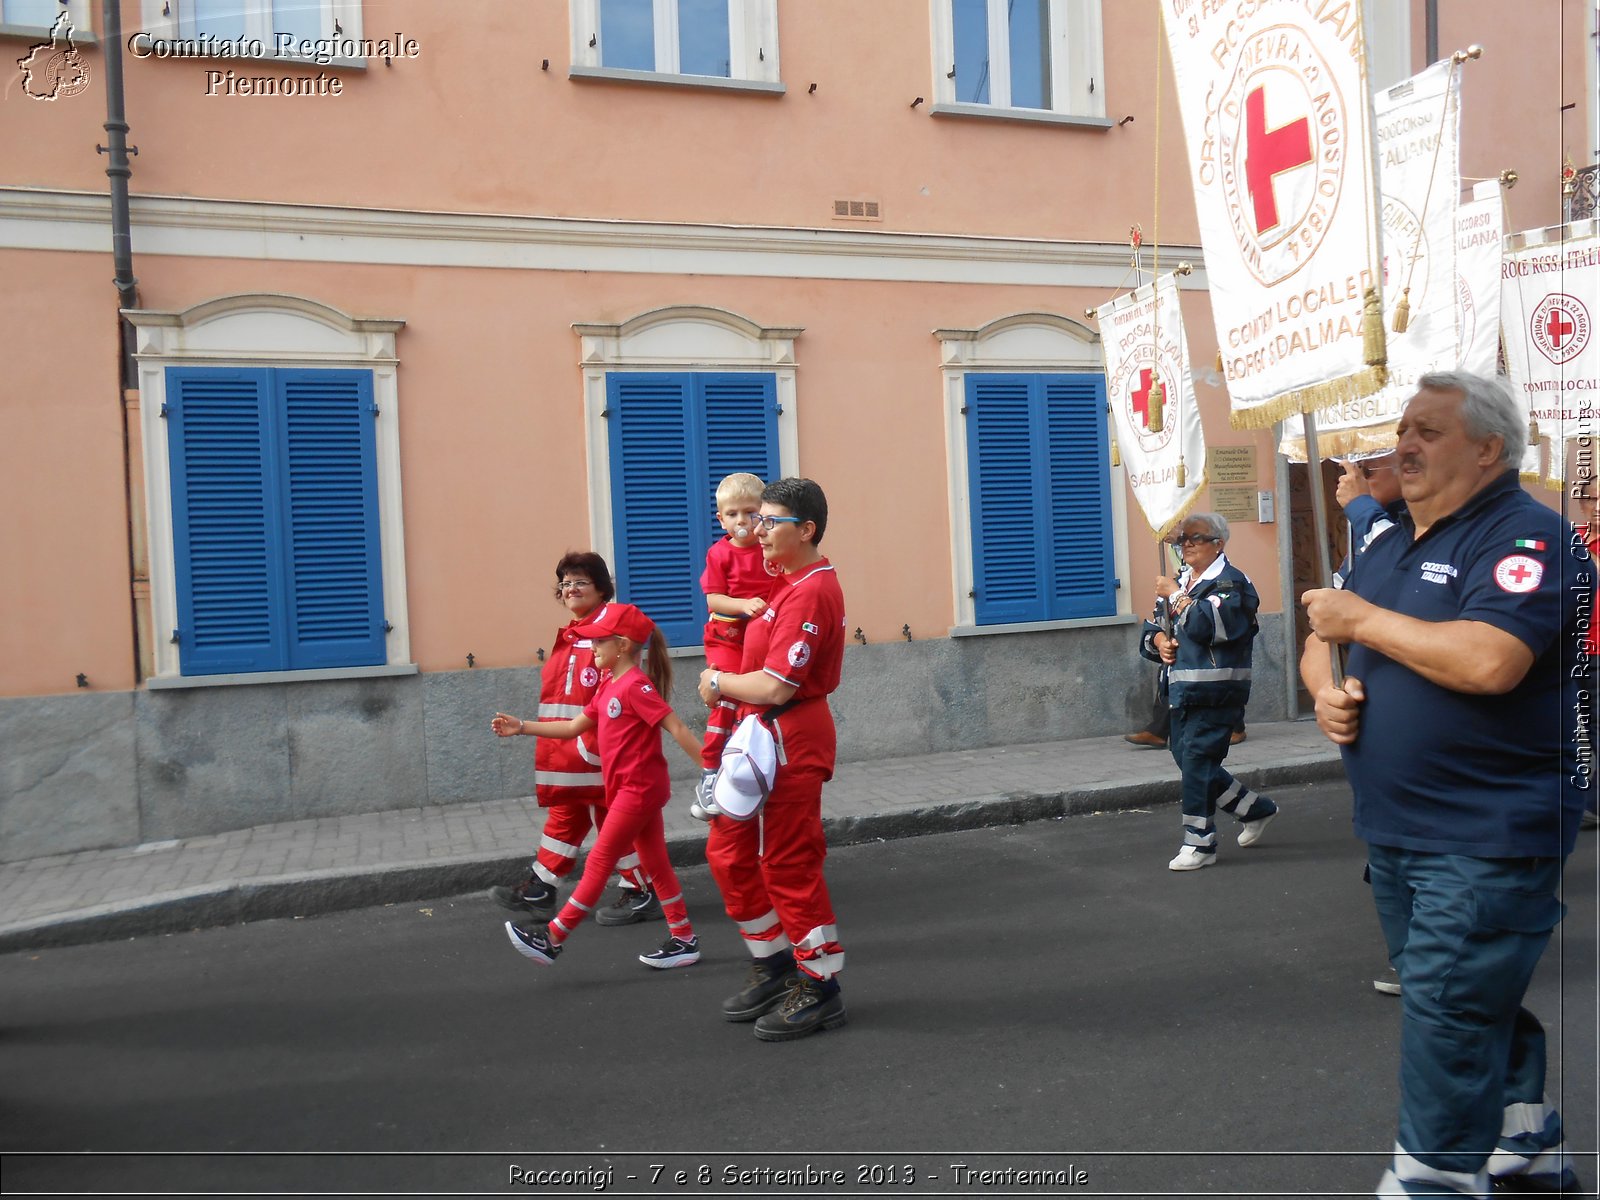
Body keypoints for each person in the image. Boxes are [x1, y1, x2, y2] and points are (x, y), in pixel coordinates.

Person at [1301, 371, 1588, 1197]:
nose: (1404, 446)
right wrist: (1326, 686)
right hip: (1396, 827)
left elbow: (1490, 660)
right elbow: (1327, 632)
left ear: (1489, 449)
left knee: (1447, 1006)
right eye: (1403, 429)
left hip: (1490, 829)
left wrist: (1360, 622)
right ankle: (1523, 1138)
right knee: (1460, 994)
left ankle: (1432, 1176)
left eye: (1428, 431)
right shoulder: (1388, 538)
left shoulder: (1529, 538)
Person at [695, 478, 848, 1041]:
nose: (755, 531)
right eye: (754, 519)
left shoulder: (810, 591)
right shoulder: (787, 584)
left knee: (787, 863)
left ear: (804, 530)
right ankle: (776, 962)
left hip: (790, 739)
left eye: (769, 521)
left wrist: (717, 680)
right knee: (729, 854)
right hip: (757, 734)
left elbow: (779, 685)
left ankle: (820, 983)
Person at [492, 603, 704, 970]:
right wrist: (522, 726)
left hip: (638, 790)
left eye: (598, 642)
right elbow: (574, 727)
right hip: (629, 789)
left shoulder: (636, 686)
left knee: (600, 862)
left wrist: (712, 772)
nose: (592, 649)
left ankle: (553, 939)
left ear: (622, 645)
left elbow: (678, 728)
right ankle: (684, 938)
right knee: (656, 864)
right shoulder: (609, 684)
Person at [487, 553, 661, 927]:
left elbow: (614, 690)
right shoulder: (574, 633)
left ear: (601, 588)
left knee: (606, 817)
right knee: (574, 813)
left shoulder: (610, 631)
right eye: (565, 582)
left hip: (599, 749)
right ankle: (543, 888)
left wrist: (594, 746)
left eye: (580, 581)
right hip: (573, 750)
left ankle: (639, 890)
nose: (570, 588)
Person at [1137, 513, 1278, 870]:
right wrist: (1160, 642)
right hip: (1181, 690)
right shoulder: (1182, 580)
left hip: (1217, 692)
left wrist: (1177, 596)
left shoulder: (1232, 582)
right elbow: (1151, 630)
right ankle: (1253, 809)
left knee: (1197, 762)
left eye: (1195, 538)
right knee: (1188, 761)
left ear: (1219, 543)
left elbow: (1210, 626)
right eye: (1183, 539)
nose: (1186, 544)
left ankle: (1200, 843)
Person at [1334, 453, 1408, 997]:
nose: (1354, 477)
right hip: (1379, 751)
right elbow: (1322, 630)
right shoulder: (1368, 541)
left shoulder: (1401, 535)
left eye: (1368, 469)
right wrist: (1322, 693)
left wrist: (1359, 504)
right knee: (1387, 866)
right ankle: (1411, 963)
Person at [692, 472, 783, 820]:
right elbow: (714, 599)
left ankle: (746, 768)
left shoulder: (769, 550)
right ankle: (710, 772)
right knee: (726, 698)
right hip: (726, 638)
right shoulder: (719, 553)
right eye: (733, 514)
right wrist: (743, 604)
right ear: (721, 518)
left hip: (760, 639)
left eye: (750, 512)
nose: (742, 521)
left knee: (754, 703)